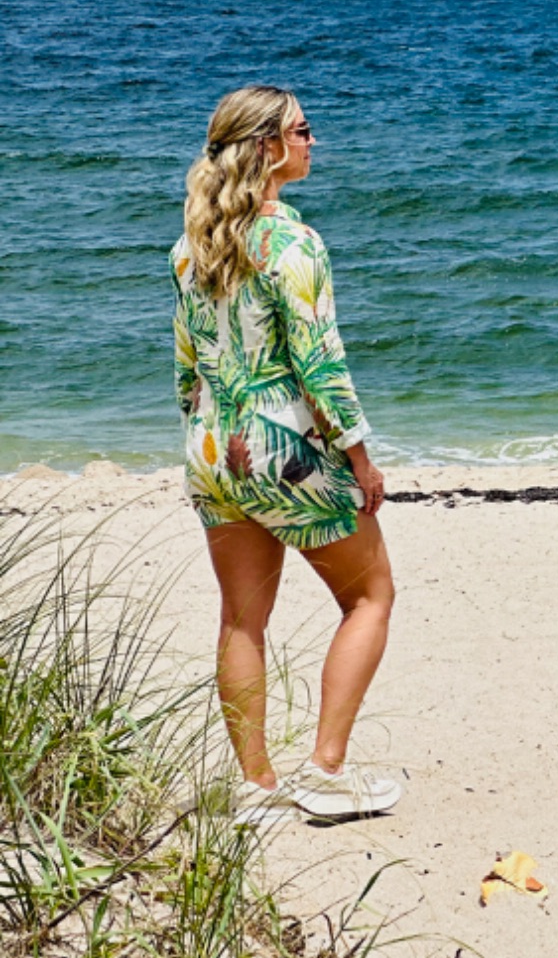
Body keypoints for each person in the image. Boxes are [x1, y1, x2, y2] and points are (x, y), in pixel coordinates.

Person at [172, 84, 401, 824]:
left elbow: (187, 367)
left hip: (211, 446)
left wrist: (211, 437)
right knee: (370, 597)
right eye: (303, 131)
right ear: (268, 147)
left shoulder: (191, 246)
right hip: (284, 448)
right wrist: (360, 457)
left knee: (242, 618)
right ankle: (325, 772)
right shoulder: (293, 245)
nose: (314, 141)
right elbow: (320, 365)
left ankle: (255, 787)